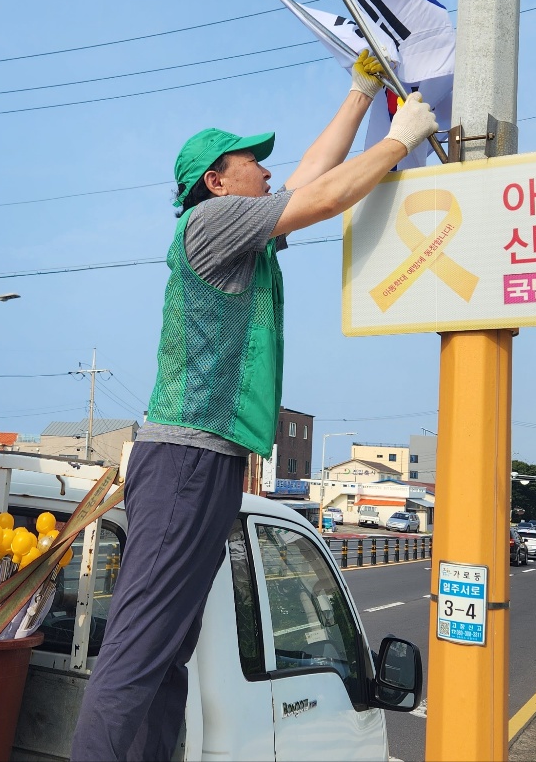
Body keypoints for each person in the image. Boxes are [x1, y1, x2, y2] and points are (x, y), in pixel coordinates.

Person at [70, 54, 439, 760]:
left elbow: (311, 180)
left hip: (207, 459)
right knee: (139, 651)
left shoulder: (243, 238)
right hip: (184, 459)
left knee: (168, 650)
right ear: (216, 182)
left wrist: (361, 94)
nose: (268, 172)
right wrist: (401, 140)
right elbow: (325, 197)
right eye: (252, 163)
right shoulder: (209, 227)